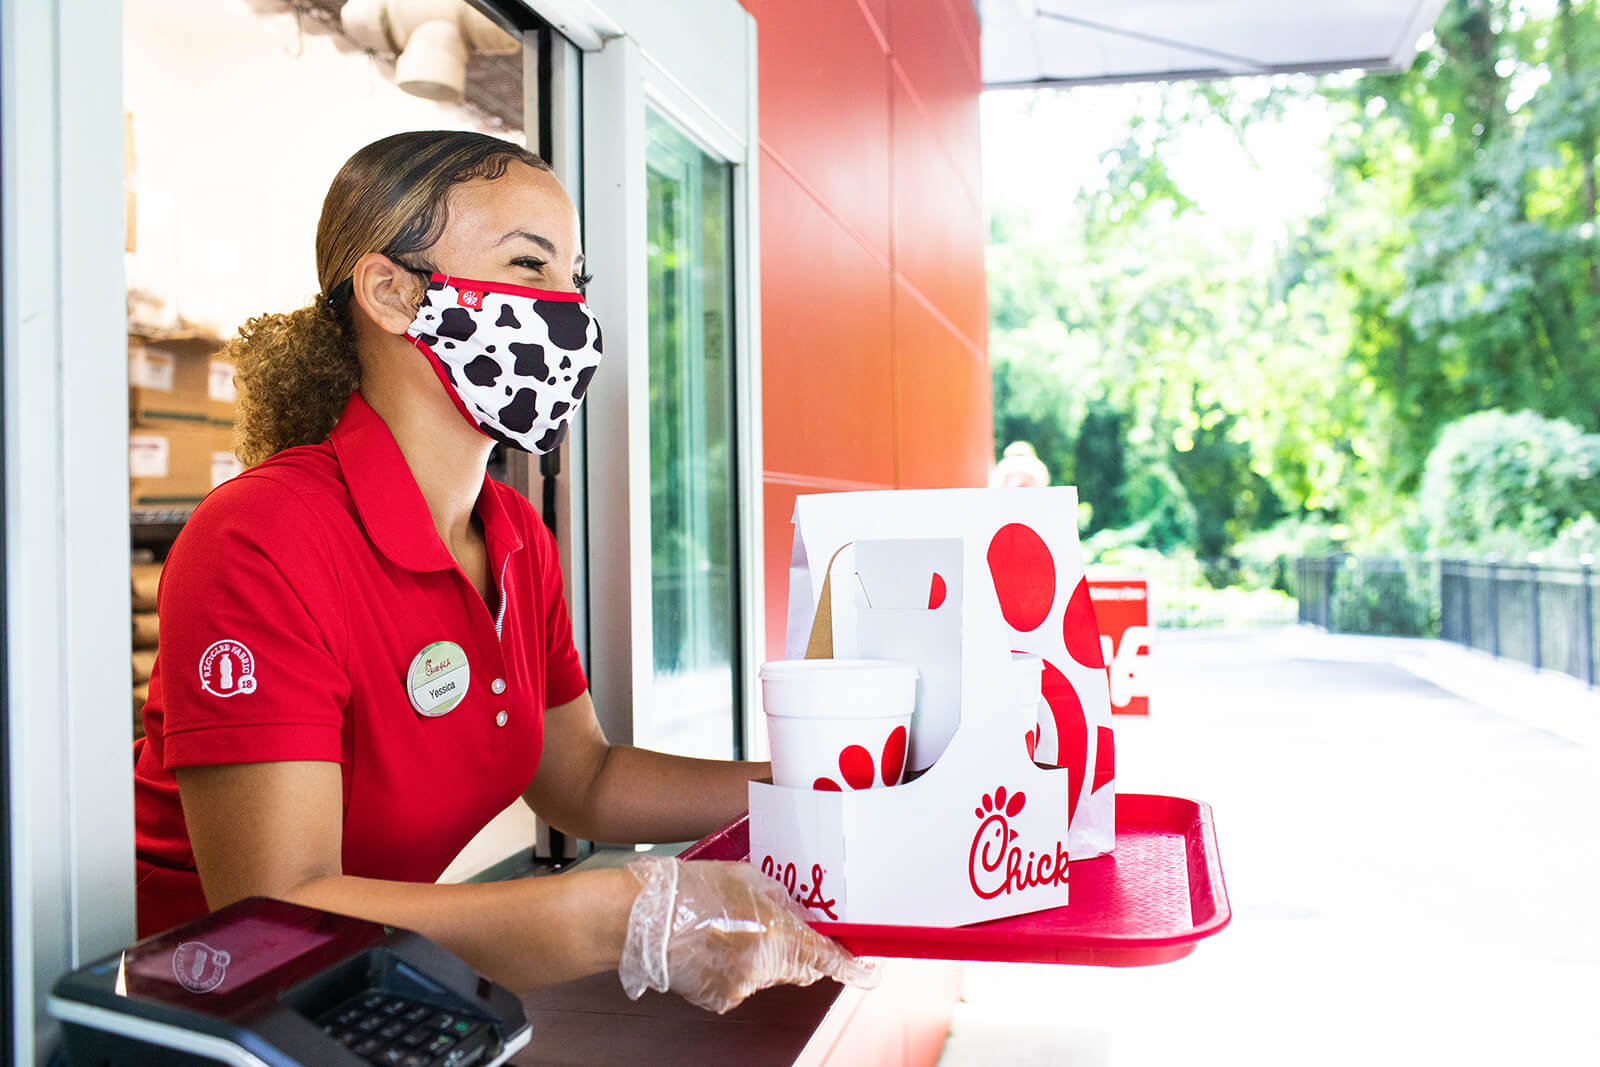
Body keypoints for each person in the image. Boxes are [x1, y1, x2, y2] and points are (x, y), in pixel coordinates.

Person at [131, 130, 872, 1013]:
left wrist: (813, 789)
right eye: (529, 267)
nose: (571, 315)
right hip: (193, 1017)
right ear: (392, 293)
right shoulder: (259, 538)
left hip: (369, 1004)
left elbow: (582, 780)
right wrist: (622, 914)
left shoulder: (515, 533)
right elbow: (277, 912)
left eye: (574, 280)